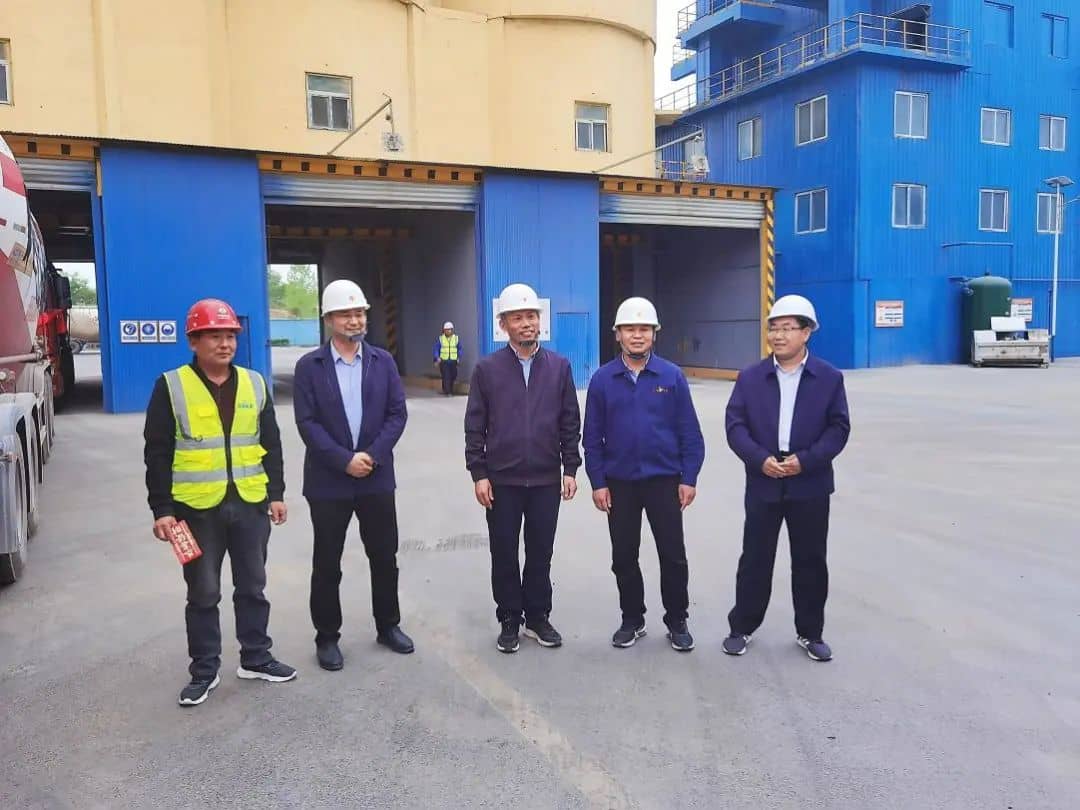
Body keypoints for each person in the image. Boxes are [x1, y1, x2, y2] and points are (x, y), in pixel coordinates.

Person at [143, 298, 296, 707]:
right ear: (193, 341)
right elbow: (157, 452)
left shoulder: (255, 383)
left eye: (230, 336)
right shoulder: (171, 386)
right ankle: (204, 671)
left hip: (250, 504)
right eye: (214, 336)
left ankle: (256, 657)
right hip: (193, 511)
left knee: (253, 586)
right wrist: (162, 509)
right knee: (203, 592)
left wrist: (276, 494)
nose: (225, 344)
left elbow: (271, 444)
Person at [293, 279, 414, 672]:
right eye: (345, 314)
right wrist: (344, 460)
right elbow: (307, 423)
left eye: (359, 313)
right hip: (329, 481)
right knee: (327, 562)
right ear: (328, 319)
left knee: (384, 556)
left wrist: (372, 456)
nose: (354, 320)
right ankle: (327, 637)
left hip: (376, 478)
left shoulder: (383, 361)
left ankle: (388, 625)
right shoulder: (309, 367)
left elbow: (397, 414)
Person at [722, 294, 850, 662]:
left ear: (806, 333)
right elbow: (735, 426)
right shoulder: (751, 378)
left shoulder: (828, 378)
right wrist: (759, 459)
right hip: (764, 479)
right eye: (773, 329)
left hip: (809, 482)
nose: (778, 336)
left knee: (810, 559)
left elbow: (838, 429)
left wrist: (805, 461)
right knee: (755, 558)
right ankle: (742, 627)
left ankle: (810, 632)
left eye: (787, 328)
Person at [464, 283, 581, 653]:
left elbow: (569, 421)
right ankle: (509, 619)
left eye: (532, 316)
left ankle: (538, 617)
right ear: (504, 325)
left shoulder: (559, 367)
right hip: (502, 480)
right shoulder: (487, 370)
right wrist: (479, 473)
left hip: (546, 478)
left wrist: (570, 468)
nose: (527, 323)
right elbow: (474, 425)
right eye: (518, 318)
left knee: (540, 552)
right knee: (504, 552)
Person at [583, 297, 705, 652]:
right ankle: (632, 619)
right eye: (629, 329)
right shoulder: (603, 380)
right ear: (617, 335)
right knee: (623, 555)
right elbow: (592, 438)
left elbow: (690, 432)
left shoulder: (671, 376)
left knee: (673, 554)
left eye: (644, 329)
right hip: (619, 483)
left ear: (654, 334)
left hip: (664, 481)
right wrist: (598, 482)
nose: (637, 335)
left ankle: (677, 620)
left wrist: (689, 477)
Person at [433, 321, 461, 396]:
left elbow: (459, 349)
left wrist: (458, 357)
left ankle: (449, 389)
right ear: (444, 330)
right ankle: (448, 391)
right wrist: (437, 357)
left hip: (453, 361)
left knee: (453, 375)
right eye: (447, 330)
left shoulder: (456, 338)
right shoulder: (441, 339)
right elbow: (436, 349)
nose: (449, 331)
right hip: (444, 361)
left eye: (450, 329)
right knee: (446, 376)